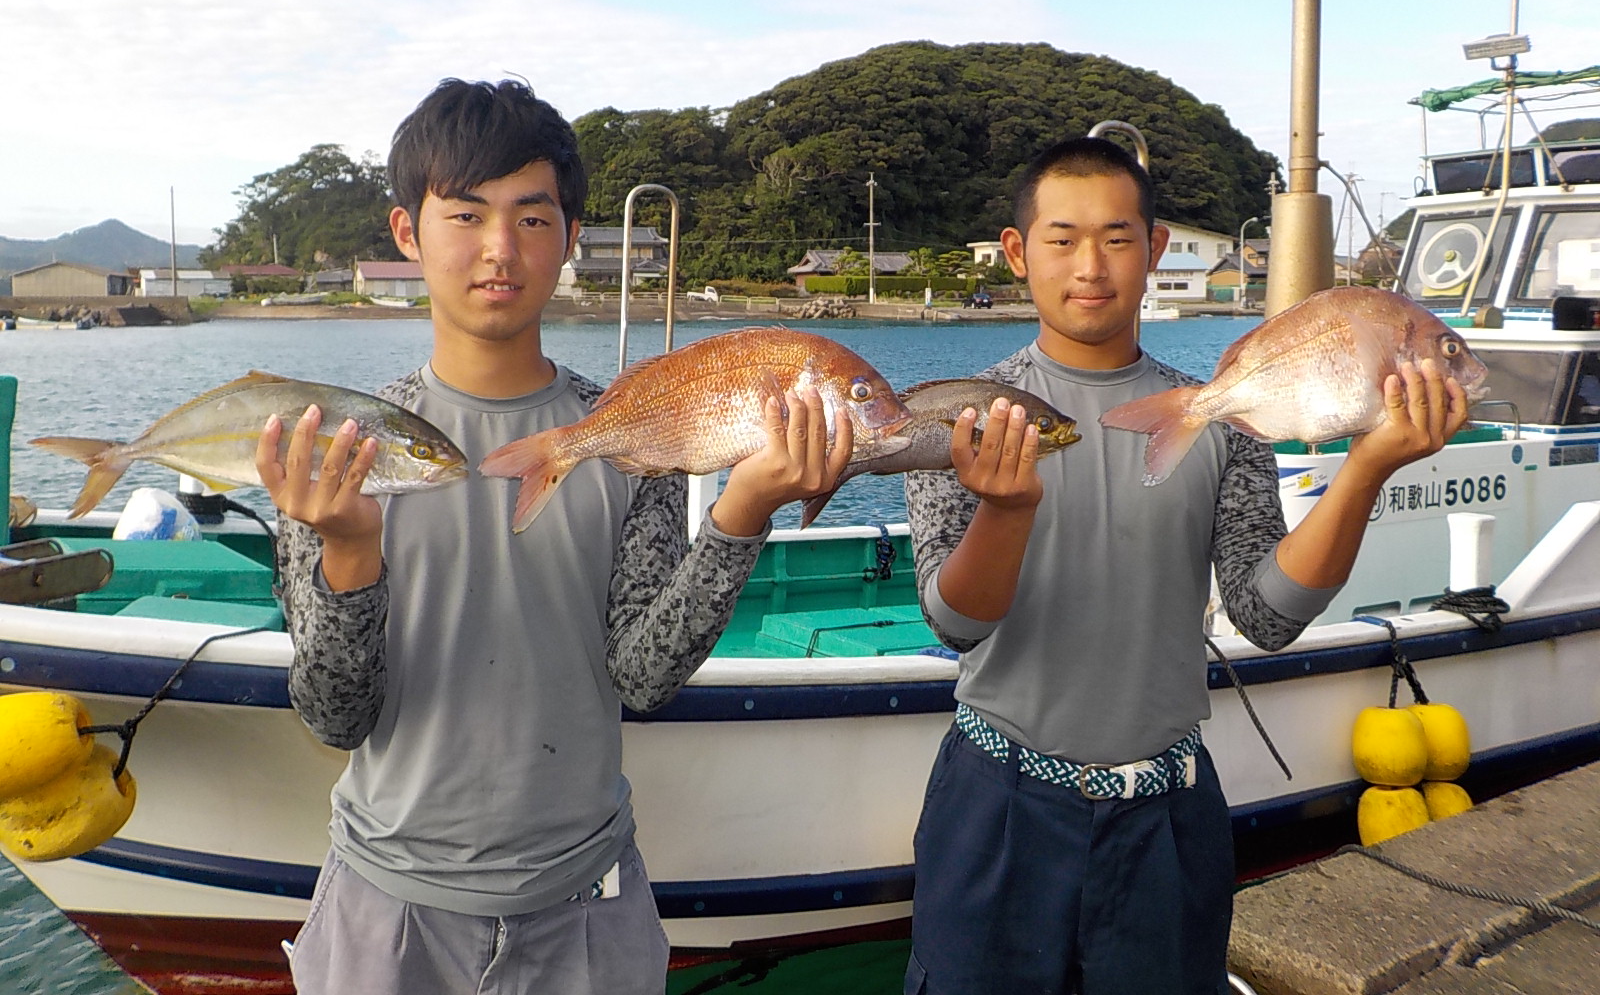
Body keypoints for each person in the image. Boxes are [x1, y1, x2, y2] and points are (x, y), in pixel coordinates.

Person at [256, 77, 852, 995]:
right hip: (388, 912)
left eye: (534, 219)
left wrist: (744, 507)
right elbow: (335, 716)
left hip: (588, 910)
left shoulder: (632, 428)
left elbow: (642, 680)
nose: (501, 249)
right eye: (467, 214)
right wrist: (346, 551)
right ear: (408, 232)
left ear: (571, 239)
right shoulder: (346, 447)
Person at [901, 136, 1469, 995]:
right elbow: (955, 620)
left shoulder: (1223, 421)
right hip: (998, 805)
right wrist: (1006, 510)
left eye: (1117, 237)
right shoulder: (970, 416)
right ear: (1018, 254)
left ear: (1156, 249)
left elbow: (1266, 615)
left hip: (1166, 815)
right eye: (1061, 239)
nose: (1090, 265)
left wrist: (1365, 468)